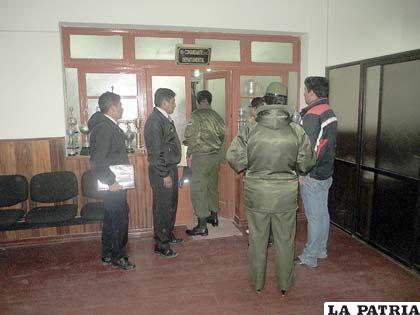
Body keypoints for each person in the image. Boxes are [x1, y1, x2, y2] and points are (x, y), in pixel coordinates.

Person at [226, 82, 315, 295]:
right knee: (285, 241)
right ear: (285, 101)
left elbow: (233, 157)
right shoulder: (296, 130)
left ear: (265, 100)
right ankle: (284, 285)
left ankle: (258, 284)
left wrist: (249, 165)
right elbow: (306, 163)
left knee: (257, 240)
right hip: (285, 195)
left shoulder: (251, 129)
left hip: (257, 194)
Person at [88, 91, 136, 270]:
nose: (122, 108)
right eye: (120, 105)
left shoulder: (107, 125)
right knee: (119, 219)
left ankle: (108, 252)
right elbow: (97, 161)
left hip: (114, 182)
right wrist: (110, 181)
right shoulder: (104, 128)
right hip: (113, 183)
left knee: (111, 218)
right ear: (113, 107)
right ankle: (119, 257)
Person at [295, 76, 337, 268]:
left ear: (312, 92)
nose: (304, 93)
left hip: (312, 174)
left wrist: (302, 172)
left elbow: (310, 148)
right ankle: (321, 250)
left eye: (305, 90)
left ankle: (309, 256)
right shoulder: (329, 111)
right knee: (322, 213)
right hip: (326, 172)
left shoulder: (312, 115)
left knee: (313, 216)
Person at [144, 88, 182, 258]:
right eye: (173, 101)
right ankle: (161, 243)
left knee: (171, 204)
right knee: (162, 207)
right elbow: (155, 152)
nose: (174, 104)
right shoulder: (155, 121)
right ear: (165, 102)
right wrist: (164, 174)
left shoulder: (164, 118)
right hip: (162, 170)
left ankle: (168, 233)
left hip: (169, 167)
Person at [183, 90, 225, 236]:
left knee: (198, 189)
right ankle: (214, 217)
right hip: (215, 157)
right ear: (210, 101)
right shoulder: (218, 117)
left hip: (201, 158)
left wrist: (188, 152)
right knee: (212, 187)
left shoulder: (196, 115)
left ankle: (201, 225)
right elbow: (222, 136)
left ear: (198, 101)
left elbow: (189, 136)